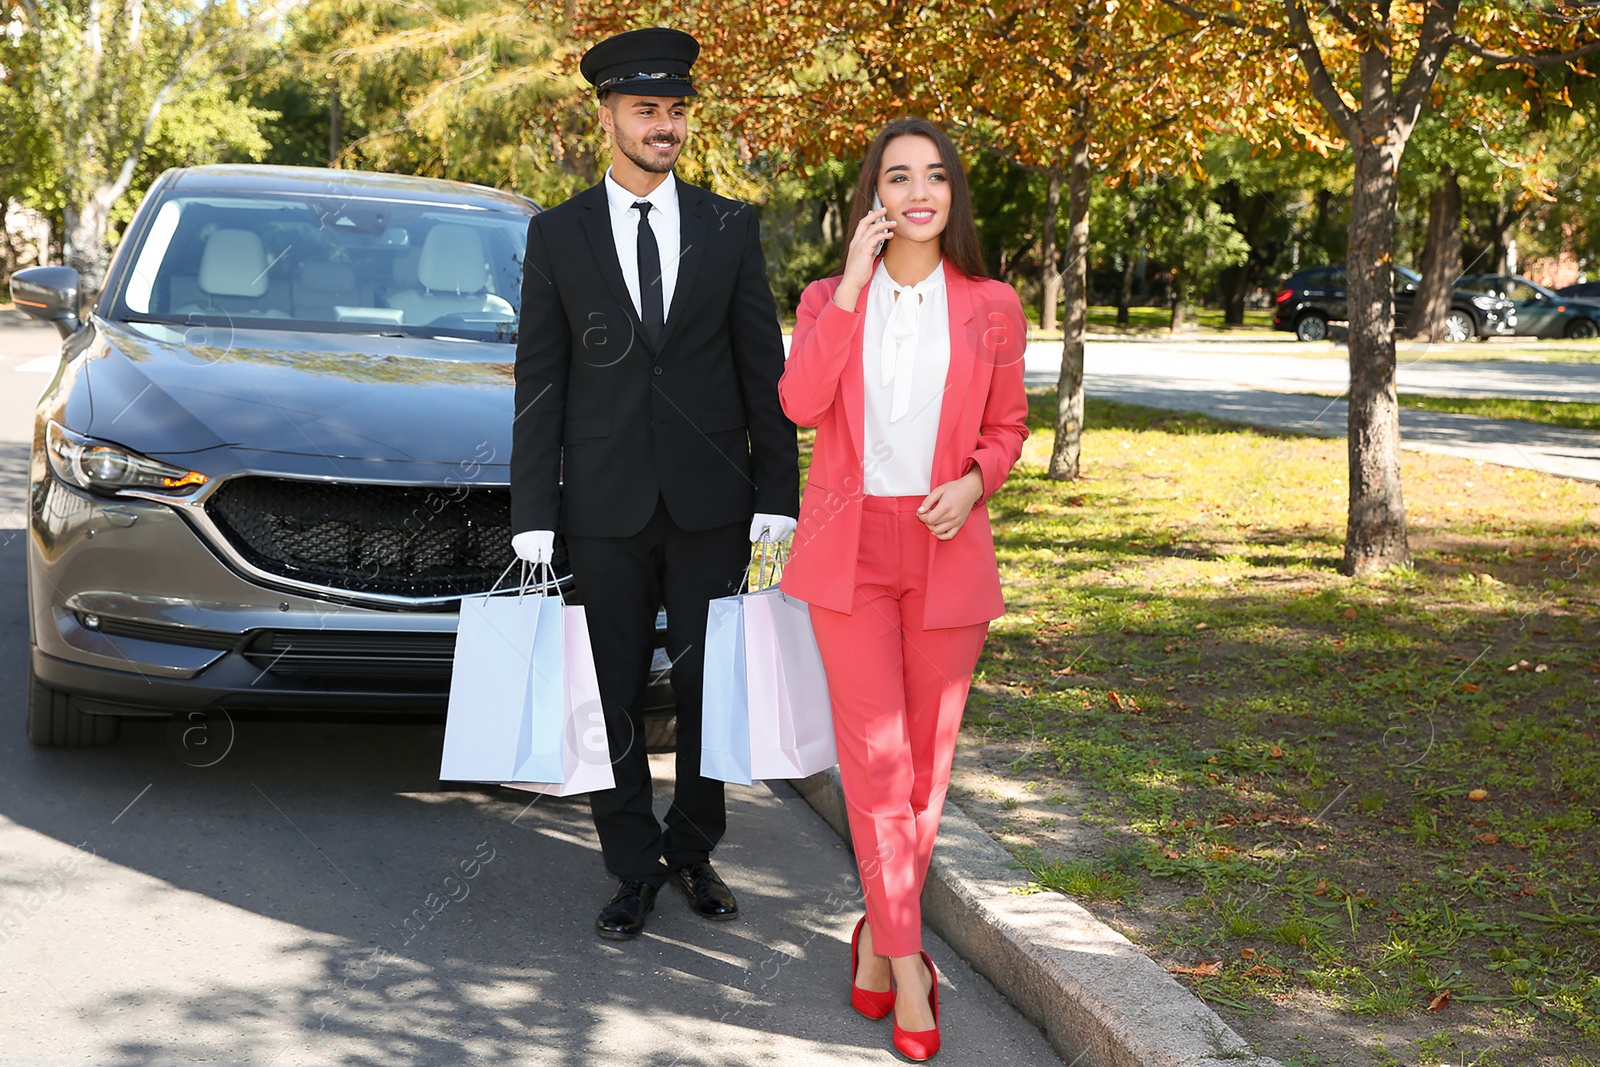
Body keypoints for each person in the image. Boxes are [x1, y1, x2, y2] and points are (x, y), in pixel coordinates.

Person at [510, 27, 799, 942]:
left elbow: (765, 370)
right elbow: (540, 380)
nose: (666, 125)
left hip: (713, 503)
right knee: (611, 689)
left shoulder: (729, 225)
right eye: (647, 110)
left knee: (713, 687)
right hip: (601, 509)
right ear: (608, 118)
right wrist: (533, 514)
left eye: (676, 109)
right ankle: (631, 864)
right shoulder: (556, 235)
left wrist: (777, 495)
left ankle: (694, 847)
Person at [777, 118, 1029, 1060]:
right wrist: (848, 286)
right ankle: (913, 962)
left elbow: (1007, 426)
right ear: (874, 196)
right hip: (851, 551)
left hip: (947, 544)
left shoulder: (993, 304)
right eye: (897, 177)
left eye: (934, 176)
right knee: (878, 766)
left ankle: (876, 942)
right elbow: (800, 403)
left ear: (953, 193)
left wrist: (974, 481)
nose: (918, 191)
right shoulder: (826, 298)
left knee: (924, 775)